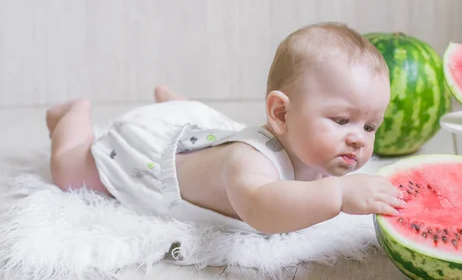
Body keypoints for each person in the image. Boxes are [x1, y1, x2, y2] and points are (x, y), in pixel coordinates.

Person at [45, 22, 406, 234]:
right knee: (70, 170)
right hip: (153, 161)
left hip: (198, 131)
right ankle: (74, 115)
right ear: (280, 114)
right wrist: (339, 196)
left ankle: (175, 104)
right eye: (342, 120)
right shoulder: (247, 163)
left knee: (204, 121)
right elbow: (260, 207)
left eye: (371, 126)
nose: (359, 137)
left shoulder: (312, 150)